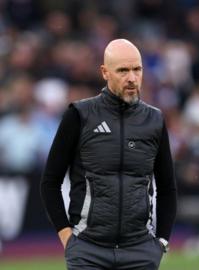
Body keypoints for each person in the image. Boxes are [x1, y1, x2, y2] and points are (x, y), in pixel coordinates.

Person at [40, 39, 177, 270]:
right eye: (123, 70)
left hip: (141, 252)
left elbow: (167, 187)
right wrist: (68, 238)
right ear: (105, 72)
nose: (132, 78)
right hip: (88, 252)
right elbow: (50, 182)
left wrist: (161, 241)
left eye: (137, 69)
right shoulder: (80, 115)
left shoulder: (154, 120)